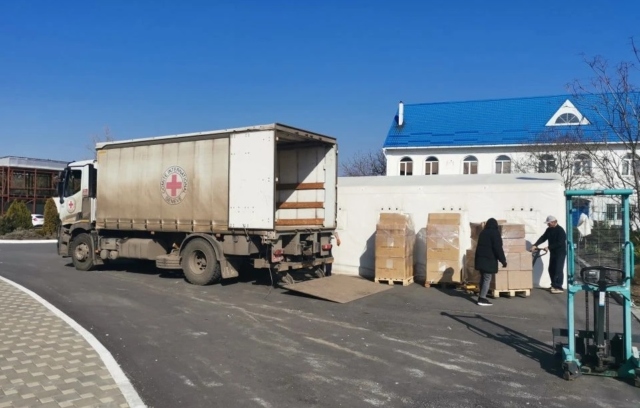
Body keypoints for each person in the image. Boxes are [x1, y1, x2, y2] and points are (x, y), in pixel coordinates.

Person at [474, 218, 507, 306]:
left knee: (483, 278)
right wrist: (503, 260)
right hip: (489, 260)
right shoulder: (495, 233)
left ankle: (481, 296)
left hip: (480, 259)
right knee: (487, 279)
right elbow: (498, 248)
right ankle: (482, 298)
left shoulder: (483, 232)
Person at [531, 215, 567, 294]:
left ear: (554, 222)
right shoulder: (549, 229)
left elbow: (560, 243)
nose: (548, 224)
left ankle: (559, 287)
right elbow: (543, 237)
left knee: (558, 269)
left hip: (560, 253)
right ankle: (554, 285)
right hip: (553, 252)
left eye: (549, 223)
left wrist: (549, 247)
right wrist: (535, 245)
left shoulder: (560, 231)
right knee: (551, 269)